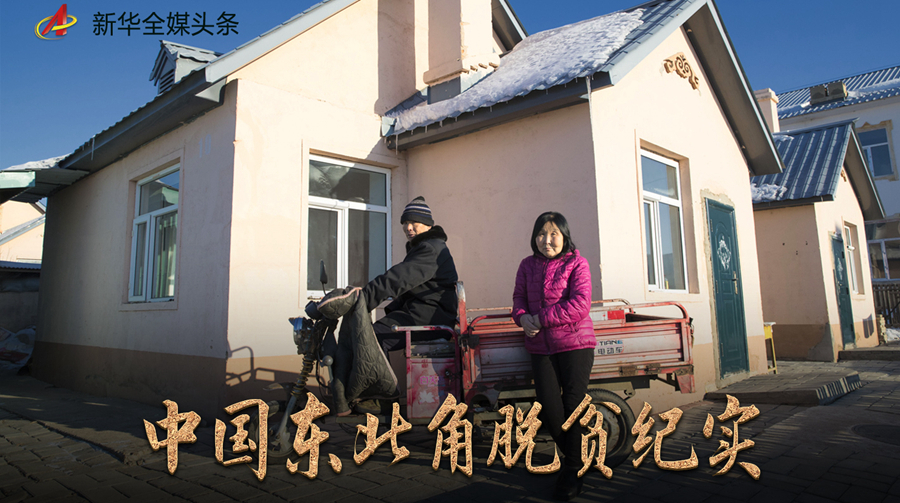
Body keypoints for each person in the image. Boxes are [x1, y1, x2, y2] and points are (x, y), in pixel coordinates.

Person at [512, 212, 595, 501]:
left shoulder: (577, 263)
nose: (546, 240)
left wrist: (540, 318)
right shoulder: (526, 265)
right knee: (549, 409)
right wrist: (522, 318)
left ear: (564, 236)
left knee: (572, 407)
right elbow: (518, 300)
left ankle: (572, 470)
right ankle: (578, 458)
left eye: (553, 234)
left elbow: (581, 304)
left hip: (575, 344)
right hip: (540, 347)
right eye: (541, 234)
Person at [361, 196, 459, 355]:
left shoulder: (430, 248)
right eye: (405, 223)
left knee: (371, 337)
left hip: (432, 317)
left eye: (414, 222)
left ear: (428, 225)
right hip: (423, 312)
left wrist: (363, 298)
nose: (408, 228)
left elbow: (398, 279)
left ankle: (379, 373)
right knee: (371, 333)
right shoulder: (427, 246)